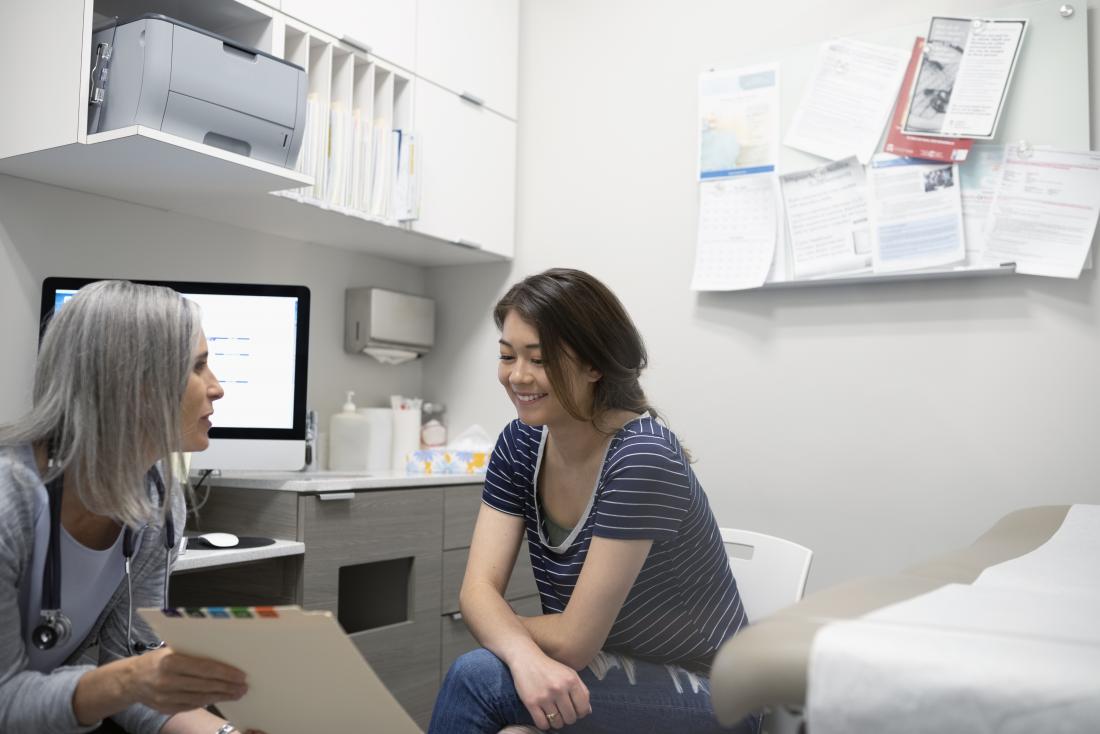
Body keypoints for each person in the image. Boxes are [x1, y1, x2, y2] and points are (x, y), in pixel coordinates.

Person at [429, 268, 759, 733]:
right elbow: (476, 590)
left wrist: (501, 629)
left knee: (478, 677)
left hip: (716, 696)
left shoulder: (642, 456)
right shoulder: (521, 444)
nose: (517, 376)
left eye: (538, 359)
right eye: (507, 356)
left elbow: (573, 641)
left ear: (594, 364)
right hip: (609, 676)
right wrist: (523, 654)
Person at [0, 280, 253, 734]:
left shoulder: (155, 498)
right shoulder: (8, 500)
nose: (217, 389)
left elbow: (133, 667)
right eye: (198, 367)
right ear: (135, 384)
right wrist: (131, 680)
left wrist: (225, 733)